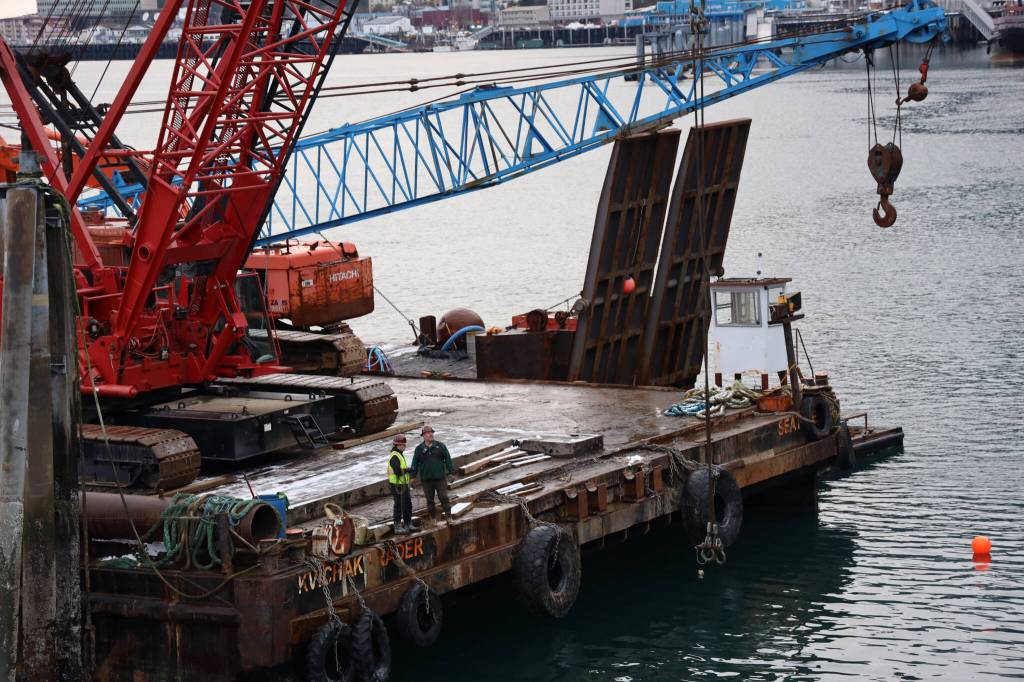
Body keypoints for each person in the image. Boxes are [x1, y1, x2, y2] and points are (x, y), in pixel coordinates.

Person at [409, 425, 454, 524]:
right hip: (426, 480)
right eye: (428, 433)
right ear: (423, 435)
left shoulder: (440, 446)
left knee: (444, 497)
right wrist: (412, 477)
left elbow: (448, 459)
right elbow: (414, 463)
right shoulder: (419, 449)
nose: (431, 434)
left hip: (440, 478)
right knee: (430, 501)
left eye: (431, 432)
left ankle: (448, 517)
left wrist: (451, 472)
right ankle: (433, 519)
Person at [387, 434, 413, 534]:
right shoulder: (394, 456)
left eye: (404, 445)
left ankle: (408, 523)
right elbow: (398, 471)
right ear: (397, 445)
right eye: (402, 445)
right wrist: (408, 470)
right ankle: (397, 526)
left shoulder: (400, 454)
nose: (404, 447)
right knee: (399, 505)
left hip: (403, 484)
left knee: (407, 504)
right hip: (396, 485)